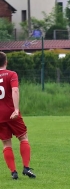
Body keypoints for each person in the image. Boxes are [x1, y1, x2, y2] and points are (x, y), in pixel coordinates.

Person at [0, 52, 36, 180]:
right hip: (11, 112)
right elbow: (15, 90)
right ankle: (26, 167)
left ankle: (13, 172)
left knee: (6, 143)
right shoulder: (11, 74)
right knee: (23, 137)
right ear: (6, 62)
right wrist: (16, 109)